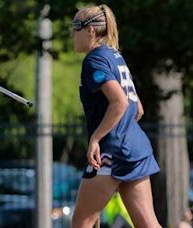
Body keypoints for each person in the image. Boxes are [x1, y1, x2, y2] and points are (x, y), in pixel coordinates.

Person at [70, 4, 161, 228]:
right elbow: (137, 108)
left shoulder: (94, 60)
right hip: (136, 148)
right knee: (148, 224)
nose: (72, 33)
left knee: (81, 222)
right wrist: (124, 135)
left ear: (89, 30)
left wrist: (97, 138)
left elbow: (120, 102)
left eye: (75, 27)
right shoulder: (114, 55)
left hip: (111, 152)